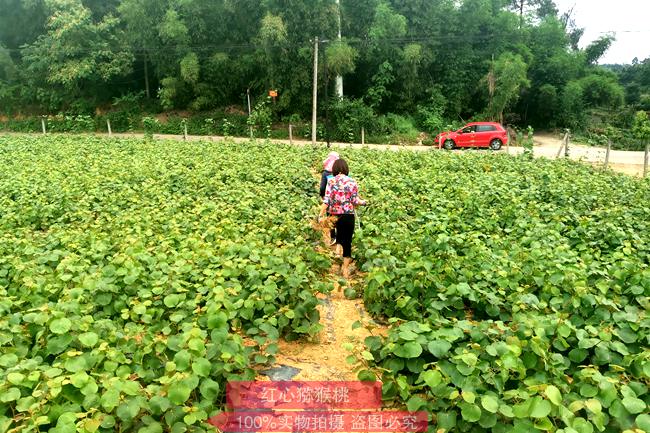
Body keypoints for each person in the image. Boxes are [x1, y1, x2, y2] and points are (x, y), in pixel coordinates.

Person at [318, 158, 367, 279]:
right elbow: (355, 200)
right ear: (346, 169)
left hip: (335, 216)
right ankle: (345, 269)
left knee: (339, 233)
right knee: (348, 241)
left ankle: (337, 251)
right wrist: (364, 202)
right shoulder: (352, 181)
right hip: (348, 215)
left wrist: (320, 214)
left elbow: (327, 200)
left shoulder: (331, 181)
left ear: (334, 169)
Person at [319, 151, 339, 244]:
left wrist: (323, 196)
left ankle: (333, 236)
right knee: (338, 217)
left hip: (329, 199)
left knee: (330, 217)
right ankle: (340, 237)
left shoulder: (326, 173)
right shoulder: (339, 172)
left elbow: (323, 187)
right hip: (340, 200)